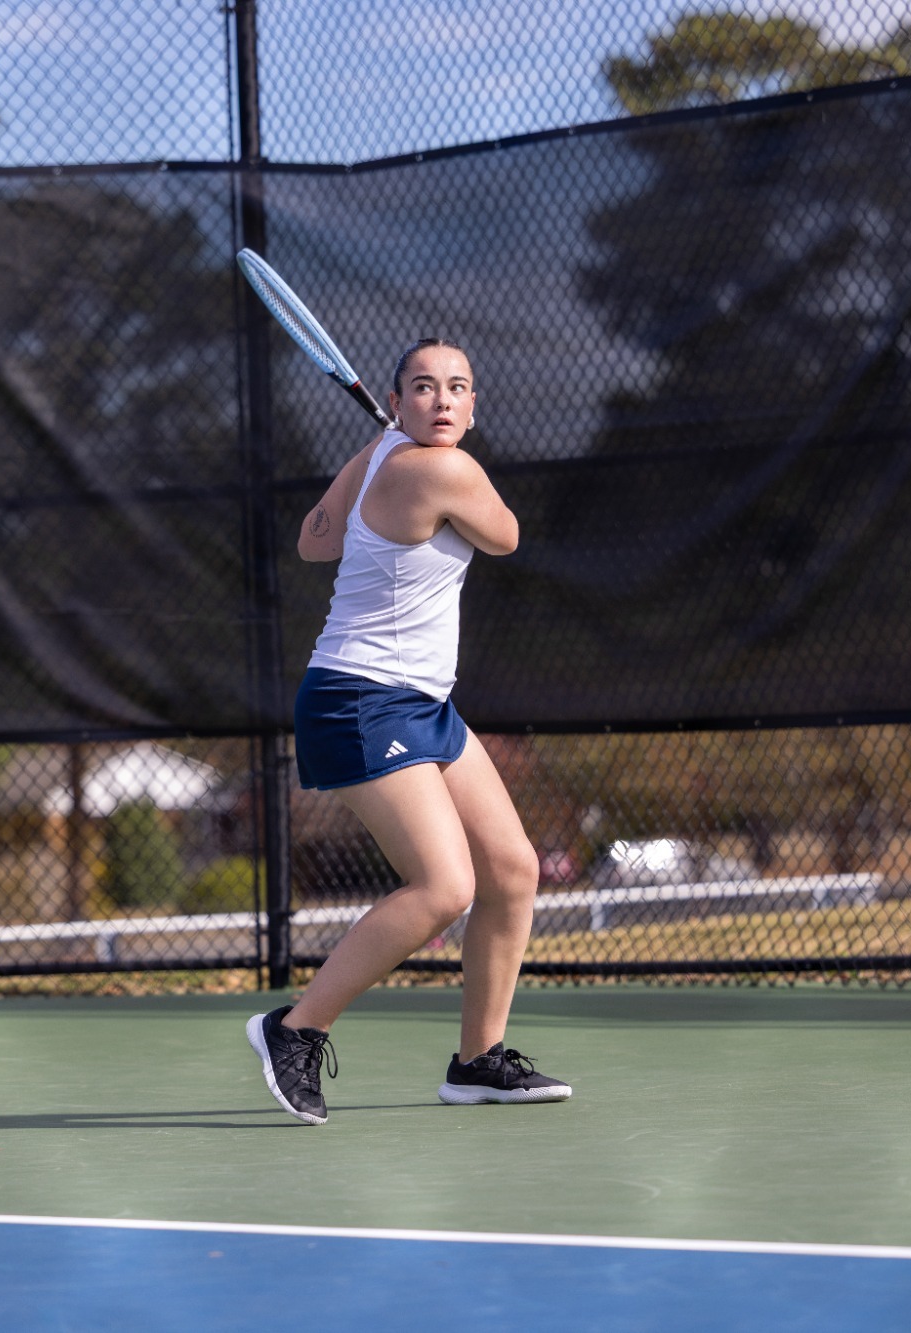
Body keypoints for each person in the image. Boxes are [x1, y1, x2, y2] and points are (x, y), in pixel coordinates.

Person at [246, 338, 572, 1125]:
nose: (443, 401)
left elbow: (315, 538)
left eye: (458, 387)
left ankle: (477, 1061)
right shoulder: (444, 469)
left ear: (472, 401)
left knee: (511, 869)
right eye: (423, 388)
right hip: (360, 697)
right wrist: (395, 451)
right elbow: (506, 534)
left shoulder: (384, 453)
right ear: (396, 400)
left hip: (420, 701)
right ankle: (293, 1029)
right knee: (445, 886)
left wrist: (372, 448)